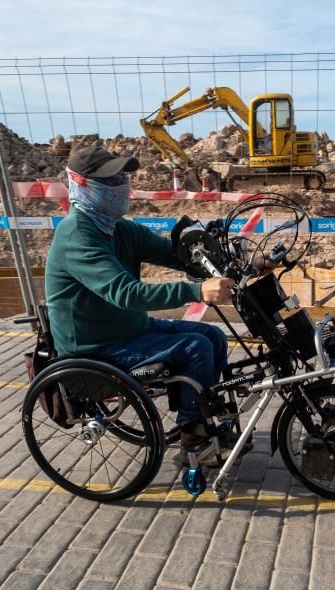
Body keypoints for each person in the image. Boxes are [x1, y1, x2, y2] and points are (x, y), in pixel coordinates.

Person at [45, 146, 236, 463]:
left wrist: (228, 258)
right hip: (96, 346)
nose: (120, 185)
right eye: (110, 180)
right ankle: (194, 441)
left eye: (122, 177)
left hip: (130, 328)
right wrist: (197, 291)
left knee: (213, 336)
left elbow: (176, 255)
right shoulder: (77, 236)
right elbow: (126, 294)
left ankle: (205, 415)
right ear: (81, 184)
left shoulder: (118, 228)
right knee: (195, 347)